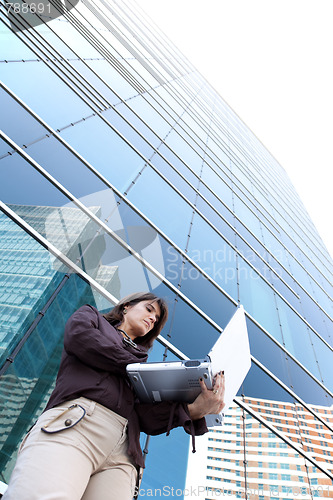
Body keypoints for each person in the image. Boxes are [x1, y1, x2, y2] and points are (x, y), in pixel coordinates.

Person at [3, 292, 225, 500]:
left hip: (125, 456)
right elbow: (80, 338)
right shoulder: (93, 318)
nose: (152, 319)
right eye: (149, 310)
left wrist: (194, 409)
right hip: (79, 424)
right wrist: (135, 369)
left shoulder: (142, 368)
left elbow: (145, 418)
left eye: (156, 320)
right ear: (126, 307)